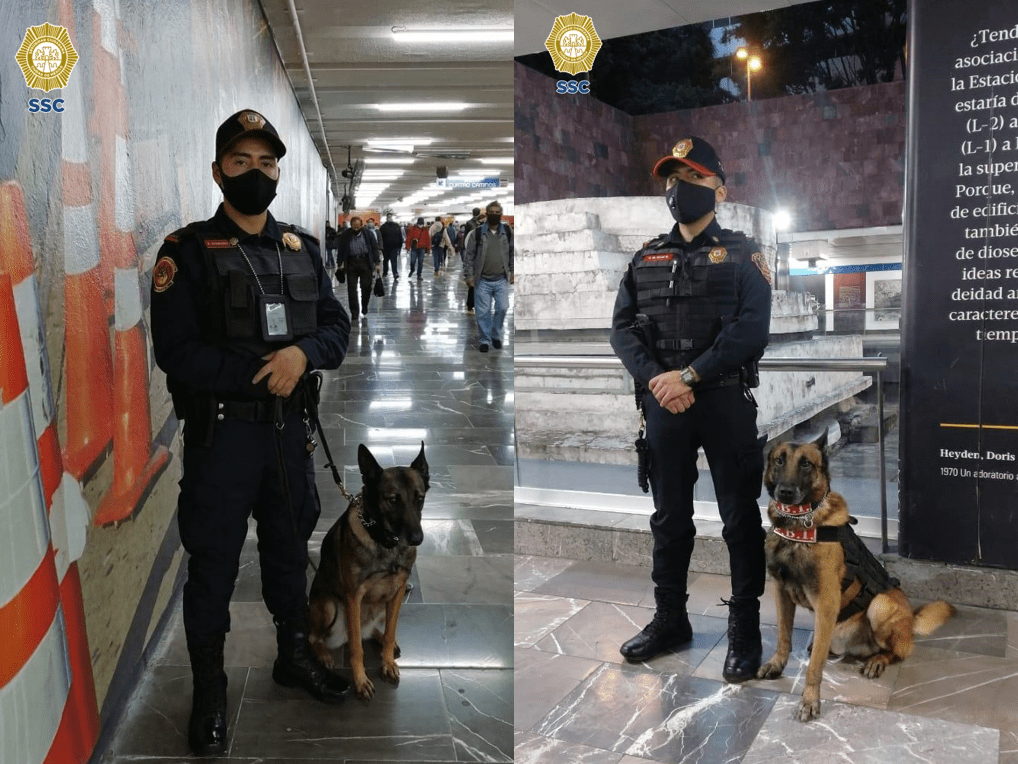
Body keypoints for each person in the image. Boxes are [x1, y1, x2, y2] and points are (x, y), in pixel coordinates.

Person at [149, 109, 352, 757]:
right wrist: (265, 372)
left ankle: (293, 654)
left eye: (266, 163)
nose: (256, 173)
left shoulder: (302, 249)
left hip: (290, 437)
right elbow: (177, 352)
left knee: (290, 550)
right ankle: (209, 687)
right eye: (242, 162)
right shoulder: (185, 252)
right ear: (218, 171)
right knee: (212, 566)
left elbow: (335, 329)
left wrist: (304, 355)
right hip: (222, 438)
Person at [608, 136, 772, 683]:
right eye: (672, 178)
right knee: (669, 519)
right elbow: (622, 330)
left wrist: (690, 376)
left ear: (718, 190)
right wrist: (659, 379)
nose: (680, 189)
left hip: (723, 400)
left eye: (693, 178)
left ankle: (744, 630)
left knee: (739, 520)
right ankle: (670, 620)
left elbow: (751, 329)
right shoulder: (645, 257)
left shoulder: (746, 254)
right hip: (665, 405)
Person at [463, 201, 513, 352]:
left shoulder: (508, 232)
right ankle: (485, 340)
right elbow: (469, 256)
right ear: (486, 215)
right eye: (492, 212)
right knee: (483, 312)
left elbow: (512, 253)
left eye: (498, 212)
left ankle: (496, 334)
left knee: (503, 308)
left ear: (501, 214)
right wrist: (468, 276)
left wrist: (513, 271)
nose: (495, 215)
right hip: (482, 280)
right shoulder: (477, 233)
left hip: (501, 279)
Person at [336, 215, 382, 320]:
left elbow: (374, 248)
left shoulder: (368, 234)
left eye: (358, 226)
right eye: (354, 227)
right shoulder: (346, 235)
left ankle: (364, 305)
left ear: (361, 225)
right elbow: (341, 250)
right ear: (350, 226)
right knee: (352, 289)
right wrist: (340, 264)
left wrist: (377, 263)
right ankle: (354, 312)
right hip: (351, 263)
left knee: (366, 287)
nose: (356, 229)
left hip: (365, 262)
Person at [379, 212, 404, 279]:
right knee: (385, 260)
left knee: (394, 260)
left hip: (394, 247)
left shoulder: (396, 226)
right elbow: (380, 238)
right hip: (385, 247)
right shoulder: (383, 227)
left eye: (390, 216)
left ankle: (395, 273)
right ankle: (385, 272)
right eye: (388, 216)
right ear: (386, 217)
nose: (389, 218)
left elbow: (400, 236)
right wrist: (380, 247)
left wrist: (400, 246)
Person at [406, 216, 430, 282]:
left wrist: (428, 248)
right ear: (417, 223)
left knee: (420, 262)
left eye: (421, 224)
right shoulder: (412, 229)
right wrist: (407, 247)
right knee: (412, 261)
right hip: (414, 248)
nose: (420, 225)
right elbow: (408, 238)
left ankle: (419, 275)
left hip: (422, 249)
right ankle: (412, 269)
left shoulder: (425, 229)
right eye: (419, 224)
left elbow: (427, 239)